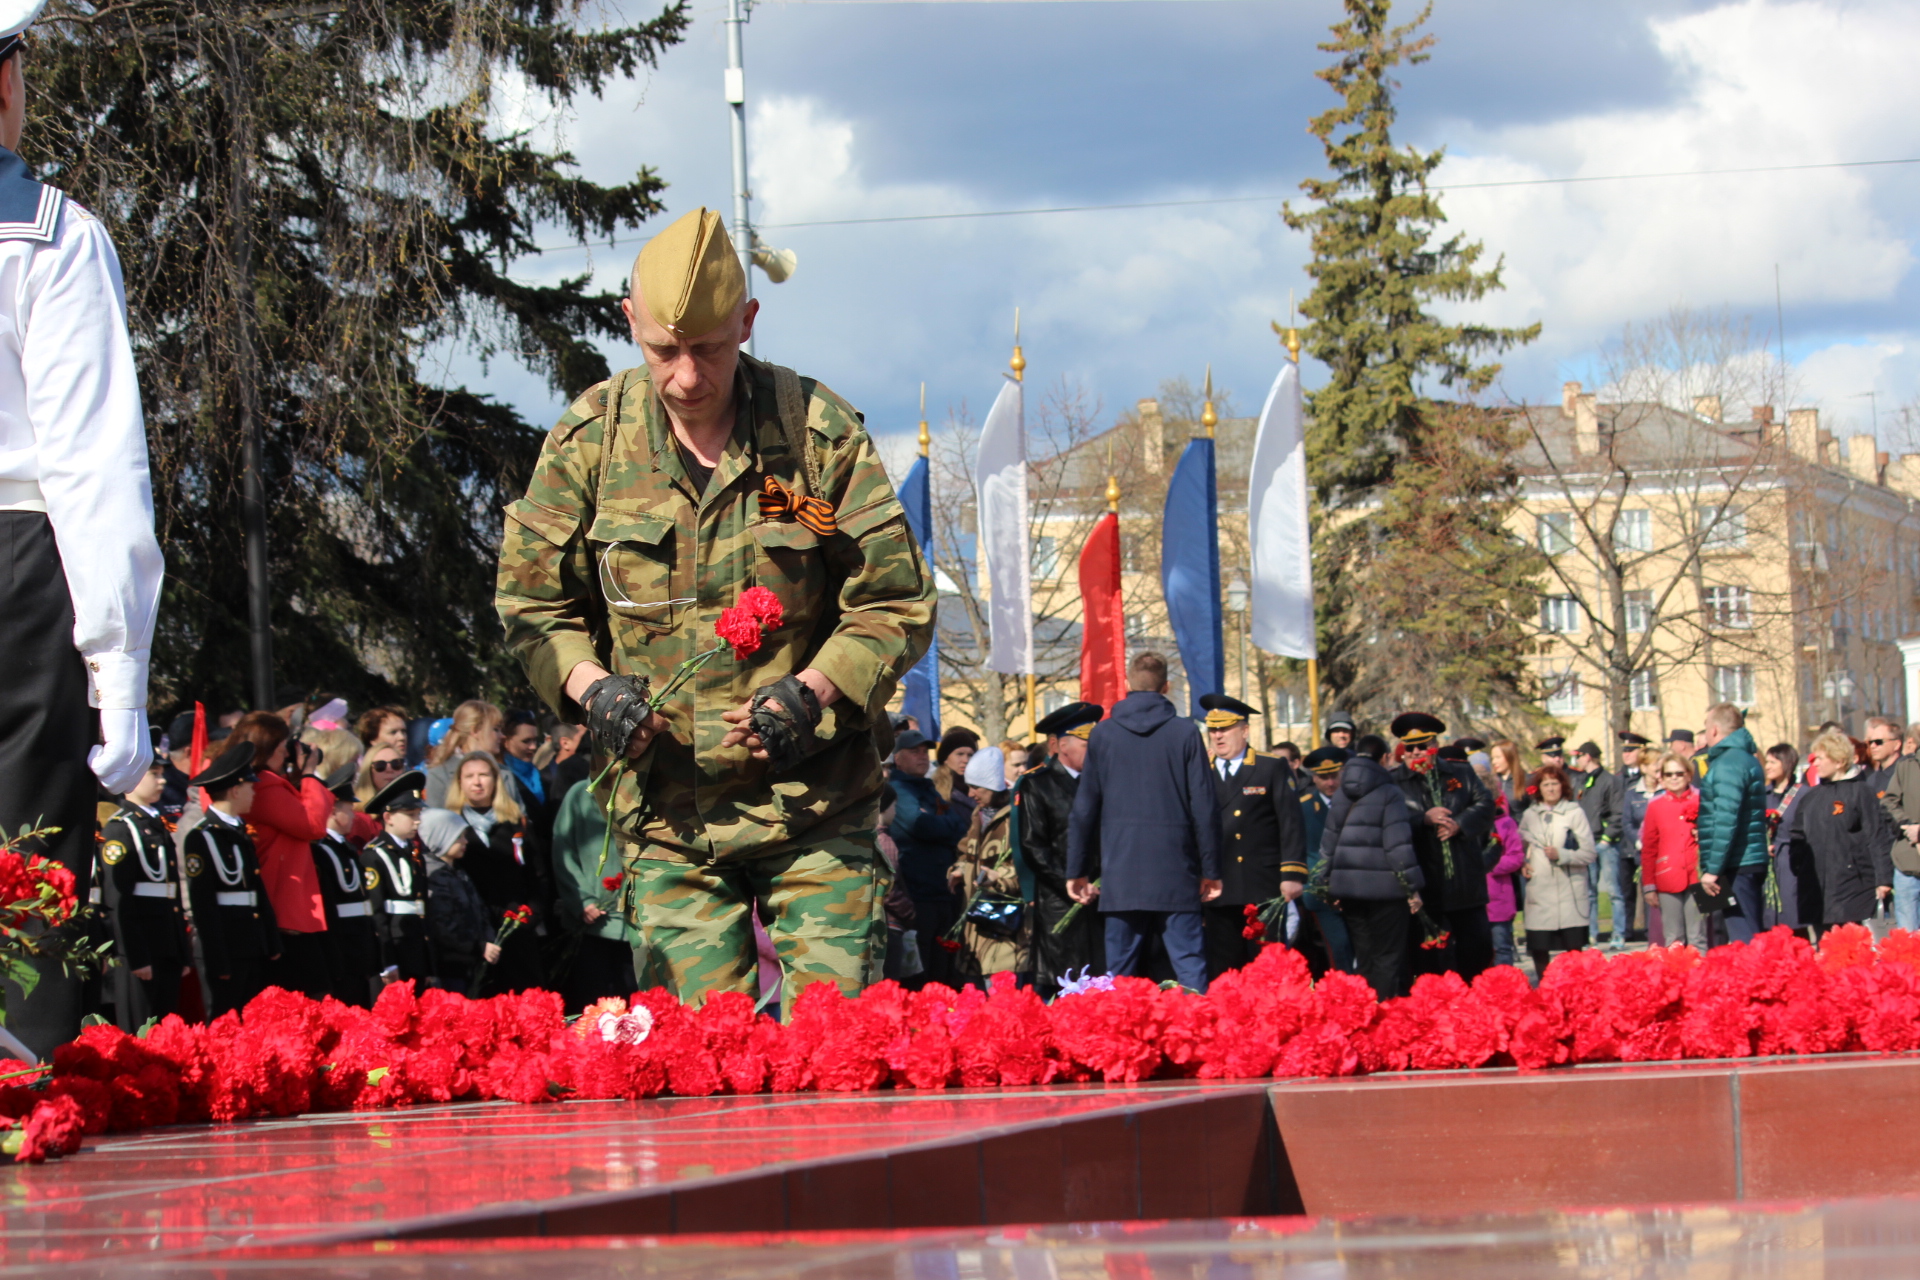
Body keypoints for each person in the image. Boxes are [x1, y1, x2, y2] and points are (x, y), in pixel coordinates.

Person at [494, 207, 933, 1009]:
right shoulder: (592, 442)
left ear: (748, 322)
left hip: (815, 807)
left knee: (837, 1050)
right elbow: (531, 603)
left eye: (709, 349)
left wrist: (817, 690)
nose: (688, 376)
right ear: (629, 322)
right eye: (664, 351)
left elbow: (894, 597)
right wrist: (595, 690)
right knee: (702, 1064)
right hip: (670, 820)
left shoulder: (813, 437)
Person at [0, 6, 167, 1054]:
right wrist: (121, 666)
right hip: (18, 562)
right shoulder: (50, 235)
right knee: (24, 872)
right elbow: (92, 466)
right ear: (4, 84)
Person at [1065, 652, 1221, 993]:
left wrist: (1076, 870)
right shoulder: (1185, 733)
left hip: (1122, 872)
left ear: (1127, 686)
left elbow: (1084, 808)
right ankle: (1200, 1042)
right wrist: (1211, 869)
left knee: (1119, 977)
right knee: (1191, 971)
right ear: (1166, 687)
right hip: (1176, 869)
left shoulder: (1103, 735)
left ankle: (1119, 1044)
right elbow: (1205, 806)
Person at [227, 711, 335, 1000]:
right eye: (283, 747)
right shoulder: (264, 786)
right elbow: (313, 825)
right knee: (308, 994)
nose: (288, 752)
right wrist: (310, 773)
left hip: (285, 903)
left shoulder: (269, 783)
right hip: (282, 905)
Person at [1199, 693, 1307, 979]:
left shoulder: (1270, 766)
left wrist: (1292, 874)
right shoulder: (1200, 770)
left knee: (1267, 968)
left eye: (1225, 729)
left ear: (1244, 730)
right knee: (1225, 969)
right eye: (1213, 730)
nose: (1218, 736)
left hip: (1262, 883)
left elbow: (1290, 822)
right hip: (1218, 885)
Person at [1389, 713, 1496, 981]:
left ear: (1434, 745)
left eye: (1422, 746)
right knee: (1432, 961)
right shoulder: (1393, 782)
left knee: (1476, 952)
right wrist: (1422, 819)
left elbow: (1485, 805)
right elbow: (1389, 823)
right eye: (1409, 748)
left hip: (1465, 883)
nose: (1416, 753)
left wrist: (1459, 824)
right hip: (1426, 886)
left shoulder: (1460, 772)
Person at [1315, 734, 1421, 999]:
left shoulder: (1341, 793)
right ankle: (1382, 1018)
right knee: (1387, 958)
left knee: (1364, 957)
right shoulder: (1390, 791)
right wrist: (1412, 888)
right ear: (1385, 758)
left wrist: (1325, 883)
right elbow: (1398, 845)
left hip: (1349, 889)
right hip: (1386, 891)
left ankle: (1363, 1014)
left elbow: (1328, 841)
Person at [183, 743, 281, 1016]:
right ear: (235, 790)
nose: (254, 793)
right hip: (225, 945)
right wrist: (218, 960)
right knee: (224, 1017)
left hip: (250, 942)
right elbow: (203, 904)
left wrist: (270, 941)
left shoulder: (240, 832)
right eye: (250, 787)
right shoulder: (202, 836)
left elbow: (257, 891)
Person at [1017, 702, 1104, 996]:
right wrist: (1071, 880)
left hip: (1101, 900)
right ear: (1061, 745)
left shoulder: (1102, 781)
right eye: (1084, 742)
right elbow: (1033, 846)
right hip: (1060, 902)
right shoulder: (1037, 784)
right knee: (1062, 986)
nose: (1092, 750)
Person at [442, 751, 546, 993]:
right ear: (459, 783)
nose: (477, 782)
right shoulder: (450, 827)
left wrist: (531, 917)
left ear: (496, 780)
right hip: (474, 937)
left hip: (516, 928)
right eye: (469, 776)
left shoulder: (516, 824)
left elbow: (537, 875)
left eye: (484, 775)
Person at [98, 755, 189, 1024]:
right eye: (154, 773)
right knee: (140, 1027)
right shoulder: (120, 829)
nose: (162, 781)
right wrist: (135, 957)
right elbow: (119, 901)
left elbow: (171, 896)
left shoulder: (156, 823)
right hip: (143, 948)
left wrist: (180, 952)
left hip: (166, 945)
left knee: (164, 1024)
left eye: (162, 773)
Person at [888, 728, 972, 990]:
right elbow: (919, 825)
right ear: (898, 758)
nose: (922, 757)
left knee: (941, 966)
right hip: (918, 894)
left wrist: (941, 827)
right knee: (921, 973)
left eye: (925, 752)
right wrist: (942, 827)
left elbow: (960, 826)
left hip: (940, 892)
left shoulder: (928, 789)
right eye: (915, 752)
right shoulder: (899, 790)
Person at [1791, 728, 1895, 934]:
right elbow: (1797, 836)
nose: (1815, 763)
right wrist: (1799, 866)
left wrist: (1883, 879)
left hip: (1852, 886)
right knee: (1824, 949)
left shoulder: (1861, 791)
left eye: (1820, 758)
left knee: (1851, 948)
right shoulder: (1811, 797)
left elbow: (1876, 835)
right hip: (1816, 888)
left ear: (1839, 761)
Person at [551, 777, 639, 1008]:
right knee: (590, 1005)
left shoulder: (646, 788)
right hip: (593, 921)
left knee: (636, 1006)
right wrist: (580, 899)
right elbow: (563, 851)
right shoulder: (580, 793)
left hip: (638, 922)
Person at [946, 747, 1027, 985]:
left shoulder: (1016, 816)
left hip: (1005, 927)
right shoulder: (978, 814)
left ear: (992, 786)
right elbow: (966, 852)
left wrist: (998, 877)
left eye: (976, 787)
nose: (970, 793)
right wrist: (960, 869)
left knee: (1002, 998)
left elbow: (1026, 864)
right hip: (975, 924)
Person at [1695, 703, 1769, 942]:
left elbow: (1726, 820)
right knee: (1722, 933)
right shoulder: (1740, 758)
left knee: (1743, 935)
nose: (1705, 733)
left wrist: (1712, 870)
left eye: (1706, 727)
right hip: (1738, 859)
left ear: (1714, 729)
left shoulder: (1729, 763)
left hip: (1736, 863)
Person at [1517, 763, 1595, 980]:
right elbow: (1517, 847)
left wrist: (1564, 855)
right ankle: (1544, 993)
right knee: (1540, 950)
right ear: (1538, 788)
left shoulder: (1574, 812)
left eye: (1555, 784)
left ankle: (1576, 994)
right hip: (1540, 894)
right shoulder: (1530, 816)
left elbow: (1589, 853)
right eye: (1546, 784)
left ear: (1563, 786)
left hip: (1570, 895)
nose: (1551, 789)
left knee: (1574, 953)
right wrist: (1523, 863)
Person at [312, 765, 378, 1007]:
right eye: (349, 810)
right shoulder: (321, 850)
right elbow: (329, 907)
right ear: (333, 811)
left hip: (359, 949)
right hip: (343, 950)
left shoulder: (346, 849)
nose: (353, 817)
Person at [361, 769, 433, 986]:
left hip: (417, 944)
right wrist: (388, 962)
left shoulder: (413, 851)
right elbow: (377, 912)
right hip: (396, 946)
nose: (417, 821)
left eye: (418, 815)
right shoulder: (374, 855)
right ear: (388, 817)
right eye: (410, 815)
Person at [421, 808, 500, 995]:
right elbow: (443, 925)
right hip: (451, 965)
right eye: (459, 837)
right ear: (442, 838)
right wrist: (478, 946)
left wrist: (488, 939)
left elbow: (480, 910)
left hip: (471, 962)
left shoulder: (458, 872)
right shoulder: (434, 875)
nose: (465, 841)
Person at [1296, 746, 1355, 973]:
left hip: (1355, 889)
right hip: (1321, 893)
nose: (1330, 783)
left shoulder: (1356, 803)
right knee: (1338, 947)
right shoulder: (1304, 807)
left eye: (1334, 776)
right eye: (1323, 777)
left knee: (1362, 948)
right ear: (1313, 778)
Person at [1639, 752, 1706, 950]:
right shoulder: (1655, 806)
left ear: (1688, 775)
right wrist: (1649, 885)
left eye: (1679, 773)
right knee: (1673, 940)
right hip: (1668, 877)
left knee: (1699, 937)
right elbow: (1649, 848)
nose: (1674, 778)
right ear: (1661, 777)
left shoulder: (1703, 800)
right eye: (1668, 774)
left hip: (1700, 877)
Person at [1568, 740, 1628, 950]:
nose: (1576, 760)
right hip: (1586, 843)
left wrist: (1607, 838)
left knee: (1614, 891)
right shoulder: (1581, 781)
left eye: (1579, 756)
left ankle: (1618, 934)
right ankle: (1591, 936)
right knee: (1589, 892)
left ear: (1588, 756)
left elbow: (1618, 813)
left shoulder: (1610, 781)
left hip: (1605, 844)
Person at [1763, 743, 1812, 936]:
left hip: (1791, 861)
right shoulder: (1762, 794)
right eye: (1766, 761)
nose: (1767, 766)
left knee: (1792, 913)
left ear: (1787, 763)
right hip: (1767, 863)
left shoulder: (1803, 794)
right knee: (1768, 915)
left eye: (1773, 762)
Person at [424, 700, 506, 810]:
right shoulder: (440, 774)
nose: (502, 736)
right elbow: (435, 821)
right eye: (496, 729)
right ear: (475, 730)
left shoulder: (504, 772)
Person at [1479, 778, 1526, 970]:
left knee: (1502, 949)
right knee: (1479, 952)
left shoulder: (1506, 823)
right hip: (1474, 900)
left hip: (1498, 899)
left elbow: (1516, 857)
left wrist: (1489, 864)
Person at [1622, 747, 1664, 945]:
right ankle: (1652, 938)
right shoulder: (1632, 794)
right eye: (1655, 763)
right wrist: (1639, 842)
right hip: (1644, 854)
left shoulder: (1667, 790)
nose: (1658, 767)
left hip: (1667, 853)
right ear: (1644, 767)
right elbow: (1627, 823)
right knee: (1650, 895)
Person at [1879, 734, 1920, 932]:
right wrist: (1906, 823)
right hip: (1908, 862)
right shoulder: (1907, 767)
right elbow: (1888, 801)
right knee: (1908, 940)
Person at [932, 728, 979, 803]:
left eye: (970, 755)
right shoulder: (934, 790)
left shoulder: (981, 789)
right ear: (945, 758)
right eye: (960, 754)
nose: (966, 760)